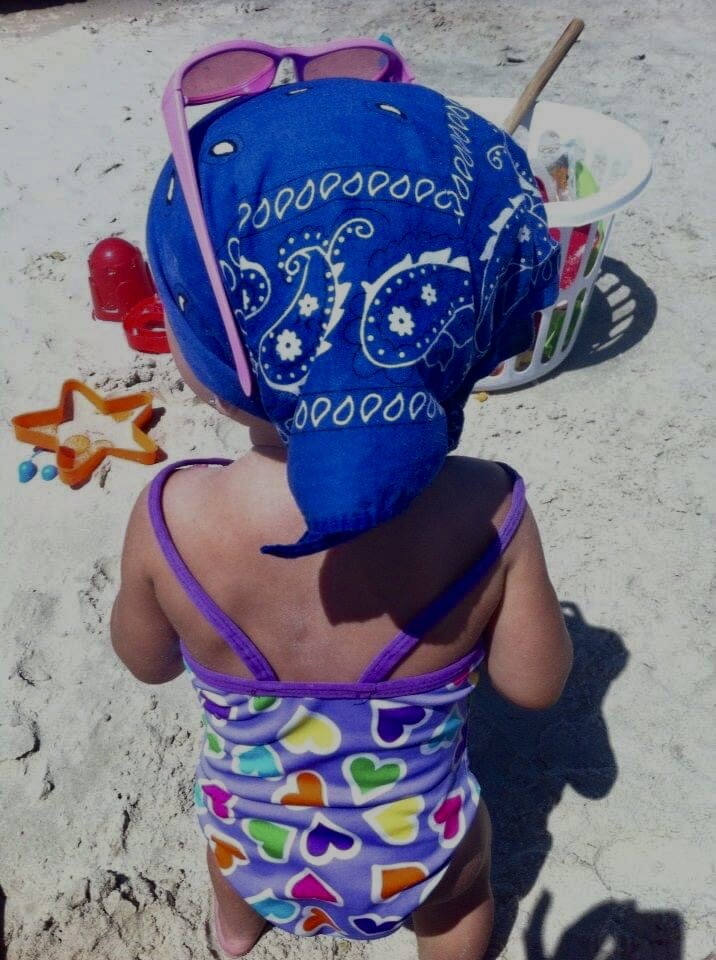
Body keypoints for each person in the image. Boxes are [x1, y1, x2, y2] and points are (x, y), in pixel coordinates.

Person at [111, 73, 573, 959]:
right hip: (421, 852)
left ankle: (236, 929)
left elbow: (146, 661)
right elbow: (536, 685)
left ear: (216, 354)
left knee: (225, 843)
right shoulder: (490, 512)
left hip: (252, 842)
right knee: (463, 889)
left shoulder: (171, 516)